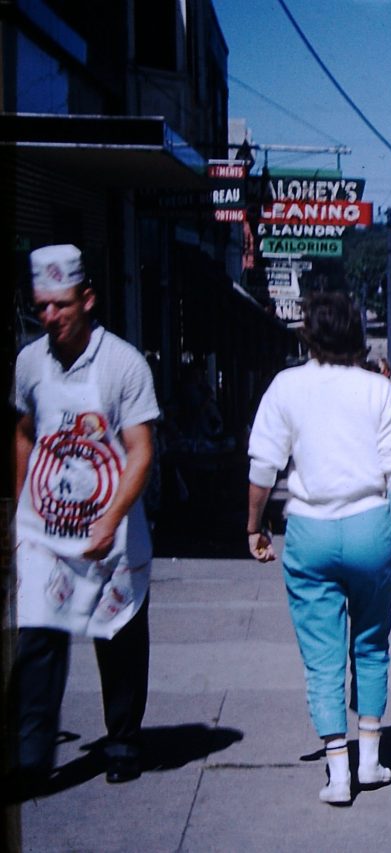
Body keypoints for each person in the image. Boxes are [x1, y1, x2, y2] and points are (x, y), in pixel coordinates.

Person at [245, 292, 391, 805]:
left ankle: (337, 772)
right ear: (357, 334)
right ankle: (371, 762)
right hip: (370, 527)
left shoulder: (286, 386)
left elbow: (264, 465)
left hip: (309, 529)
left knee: (322, 653)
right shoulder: (379, 390)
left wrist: (253, 525)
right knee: (371, 642)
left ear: (308, 333)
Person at [11, 244, 160, 790]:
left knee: (117, 636)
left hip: (112, 529)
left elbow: (140, 449)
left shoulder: (123, 364)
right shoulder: (29, 363)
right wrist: (24, 507)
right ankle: (29, 759)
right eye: (42, 306)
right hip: (47, 530)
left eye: (62, 305)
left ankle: (122, 741)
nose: (50, 317)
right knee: (38, 642)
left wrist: (112, 516)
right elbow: (25, 434)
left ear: (88, 299)